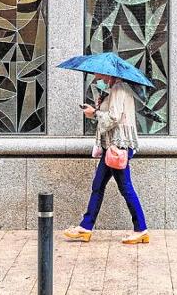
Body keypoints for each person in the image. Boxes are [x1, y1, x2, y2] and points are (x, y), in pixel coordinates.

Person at [61, 73, 148, 244]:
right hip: (112, 147)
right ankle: (86, 227)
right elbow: (112, 115)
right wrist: (99, 108)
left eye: (97, 73)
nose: (95, 75)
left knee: (125, 187)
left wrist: (94, 113)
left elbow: (114, 118)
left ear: (107, 73)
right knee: (98, 185)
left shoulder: (118, 88)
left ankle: (141, 229)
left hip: (117, 147)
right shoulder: (116, 89)